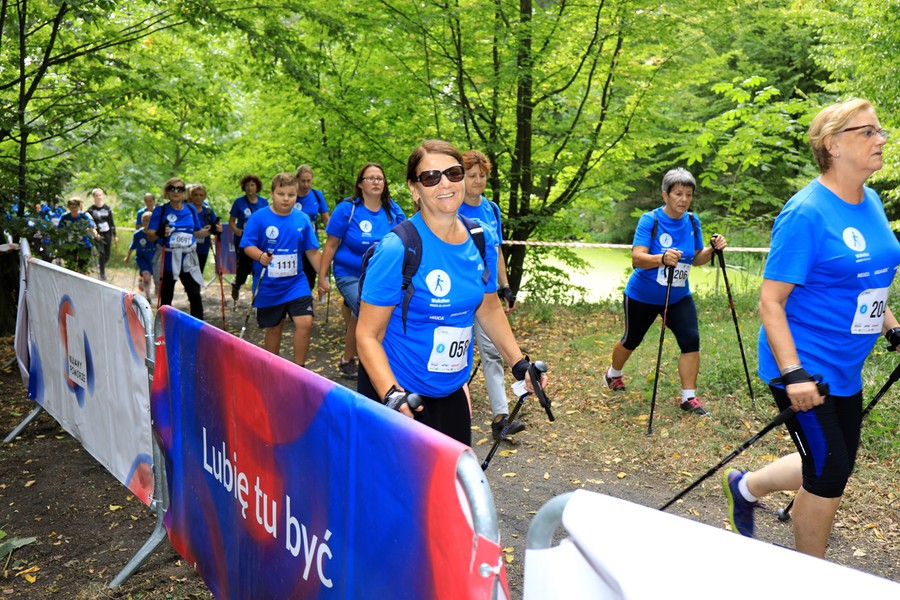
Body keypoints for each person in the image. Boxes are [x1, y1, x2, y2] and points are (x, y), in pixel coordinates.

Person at [722, 99, 900, 558]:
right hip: (804, 367)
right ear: (833, 145)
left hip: (845, 368)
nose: (882, 139)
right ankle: (810, 578)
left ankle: (745, 487)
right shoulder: (806, 213)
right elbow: (771, 301)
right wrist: (793, 373)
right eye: (868, 132)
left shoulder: (870, 200)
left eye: (880, 130)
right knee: (829, 472)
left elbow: (864, 281)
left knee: (831, 461)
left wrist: (892, 327)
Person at [356, 140, 547, 446]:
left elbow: (489, 307)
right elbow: (367, 335)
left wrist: (519, 364)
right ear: (415, 189)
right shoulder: (398, 247)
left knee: (451, 477)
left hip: (451, 391)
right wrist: (391, 395)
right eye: (431, 177)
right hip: (398, 391)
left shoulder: (480, 238)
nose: (445, 183)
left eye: (453, 173)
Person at [604, 168, 726, 416]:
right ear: (665, 195)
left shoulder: (693, 221)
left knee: (691, 340)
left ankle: (688, 397)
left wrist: (712, 249)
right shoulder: (650, 220)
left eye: (688, 194)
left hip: (678, 296)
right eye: (678, 193)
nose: (684, 199)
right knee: (632, 339)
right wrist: (662, 258)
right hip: (643, 295)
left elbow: (697, 259)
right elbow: (637, 258)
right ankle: (613, 374)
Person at [459, 149, 524, 441]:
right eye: (471, 175)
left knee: (493, 353)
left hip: (485, 294)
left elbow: (496, 250)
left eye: (482, 175)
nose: (477, 180)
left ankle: (501, 418)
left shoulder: (491, 209)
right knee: (457, 352)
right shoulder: (451, 206)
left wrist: (505, 286)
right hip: (457, 292)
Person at [318, 163, 405, 380]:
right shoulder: (348, 210)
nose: (376, 182)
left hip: (380, 275)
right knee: (366, 309)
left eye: (380, 178)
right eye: (371, 178)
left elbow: (405, 241)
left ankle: (352, 358)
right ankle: (363, 360)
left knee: (368, 312)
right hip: (349, 274)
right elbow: (331, 244)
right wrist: (322, 277)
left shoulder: (393, 211)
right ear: (360, 184)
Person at [240, 173, 322, 367]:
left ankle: (299, 370)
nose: (286, 199)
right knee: (274, 328)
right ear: (272, 193)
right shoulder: (259, 218)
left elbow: (312, 251)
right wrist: (260, 256)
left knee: (305, 322)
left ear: (296, 195)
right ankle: (272, 369)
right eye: (281, 194)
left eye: (291, 195)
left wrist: (323, 277)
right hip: (269, 284)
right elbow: (247, 245)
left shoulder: (302, 219)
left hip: (296, 282)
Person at [146, 177, 211, 320]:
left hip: (188, 259)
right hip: (168, 259)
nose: (176, 192)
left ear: (184, 193)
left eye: (179, 189)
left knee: (195, 295)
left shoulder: (190, 209)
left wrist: (212, 231)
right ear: (166, 192)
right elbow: (150, 235)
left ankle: (198, 327)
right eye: (172, 188)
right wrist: (159, 233)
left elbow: (197, 232)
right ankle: (163, 327)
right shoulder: (161, 210)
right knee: (166, 297)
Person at [229, 174, 269, 303]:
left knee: (259, 264)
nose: (250, 188)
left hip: (260, 240)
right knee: (244, 267)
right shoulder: (239, 202)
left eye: (252, 185)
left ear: (257, 187)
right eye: (247, 185)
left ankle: (258, 293)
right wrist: (236, 230)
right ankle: (237, 284)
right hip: (244, 240)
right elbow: (231, 221)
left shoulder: (264, 202)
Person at [294, 164, 331, 290]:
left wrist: (334, 240)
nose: (306, 185)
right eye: (303, 181)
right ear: (297, 180)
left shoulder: (317, 195)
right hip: (292, 243)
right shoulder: (291, 195)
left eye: (309, 181)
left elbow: (326, 219)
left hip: (310, 242)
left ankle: (306, 298)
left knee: (310, 278)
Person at [57, 196, 98, 274]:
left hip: (84, 244)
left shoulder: (85, 216)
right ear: (68, 207)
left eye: (75, 207)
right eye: (72, 207)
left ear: (79, 207)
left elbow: (92, 227)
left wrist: (95, 234)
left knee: (83, 268)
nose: (74, 209)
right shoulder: (65, 217)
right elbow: (59, 230)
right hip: (70, 244)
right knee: (71, 267)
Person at [187, 183, 222, 274]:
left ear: (204, 197)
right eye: (195, 195)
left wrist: (216, 228)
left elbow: (216, 227)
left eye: (201, 195)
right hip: (187, 248)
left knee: (199, 273)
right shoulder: (185, 210)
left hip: (203, 248)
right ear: (191, 196)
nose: (198, 197)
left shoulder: (208, 211)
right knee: (187, 275)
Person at [124, 212, 156, 300]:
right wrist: (127, 257)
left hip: (152, 258)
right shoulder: (138, 234)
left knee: (150, 277)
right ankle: (148, 296)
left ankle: (141, 280)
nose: (146, 222)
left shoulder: (155, 233)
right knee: (147, 276)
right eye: (144, 220)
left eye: (148, 220)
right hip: (142, 259)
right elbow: (132, 247)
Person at [86, 188, 117, 281]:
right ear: (94, 197)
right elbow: (89, 223)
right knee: (101, 253)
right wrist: (94, 233)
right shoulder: (90, 210)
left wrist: (115, 235)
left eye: (100, 195)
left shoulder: (107, 208)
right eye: (97, 195)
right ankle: (102, 274)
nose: (99, 197)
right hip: (97, 234)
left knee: (107, 254)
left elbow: (111, 222)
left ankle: (101, 264)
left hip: (107, 233)